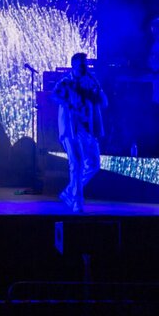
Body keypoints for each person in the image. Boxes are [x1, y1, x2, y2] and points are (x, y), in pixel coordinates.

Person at [52, 52, 107, 213]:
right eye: (81, 64)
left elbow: (104, 102)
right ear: (74, 65)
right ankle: (76, 201)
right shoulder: (66, 82)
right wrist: (68, 103)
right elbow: (55, 95)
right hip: (71, 128)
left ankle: (70, 191)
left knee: (94, 164)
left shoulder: (91, 82)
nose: (84, 67)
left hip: (88, 128)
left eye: (85, 64)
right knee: (76, 163)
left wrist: (97, 92)